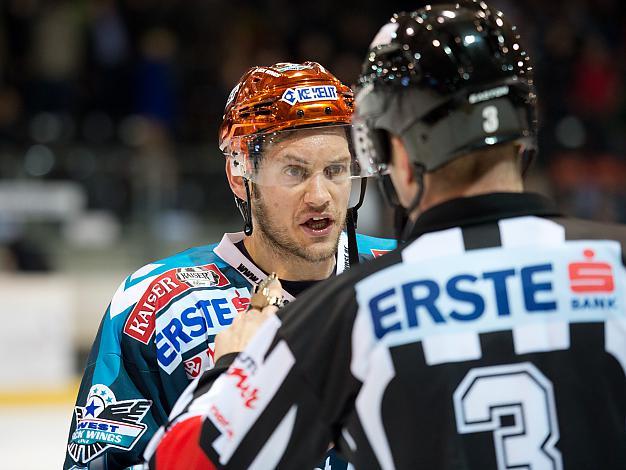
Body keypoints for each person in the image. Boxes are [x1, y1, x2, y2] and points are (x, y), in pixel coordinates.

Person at [146, 2, 626, 469]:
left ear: (394, 151)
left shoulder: (351, 309)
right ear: (525, 127)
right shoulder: (617, 266)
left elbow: (185, 460)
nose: (321, 195)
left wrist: (229, 368)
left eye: (337, 168)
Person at [64, 61, 395, 470]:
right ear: (241, 177)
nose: (321, 196)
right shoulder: (156, 305)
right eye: (295, 171)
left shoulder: (400, 276)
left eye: (336, 170)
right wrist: (230, 385)